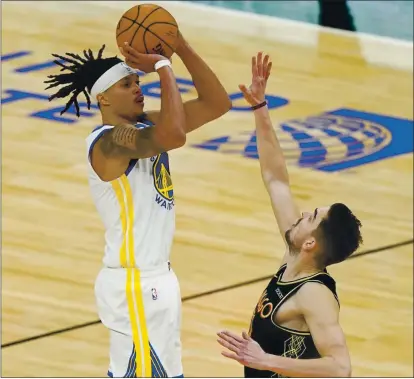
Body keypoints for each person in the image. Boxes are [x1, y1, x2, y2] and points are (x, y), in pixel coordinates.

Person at [45, 33, 231, 378]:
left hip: (156, 278)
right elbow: (174, 135)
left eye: (136, 81)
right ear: (103, 98)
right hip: (135, 284)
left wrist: (183, 48)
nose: (136, 88)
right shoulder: (109, 143)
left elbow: (217, 103)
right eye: (126, 84)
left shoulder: (143, 125)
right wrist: (163, 67)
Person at [216, 52, 362, 378]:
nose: (300, 216)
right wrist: (259, 108)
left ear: (311, 242)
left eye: (310, 217)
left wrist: (265, 360)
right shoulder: (294, 256)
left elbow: (341, 368)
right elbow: (276, 179)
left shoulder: (314, 295)